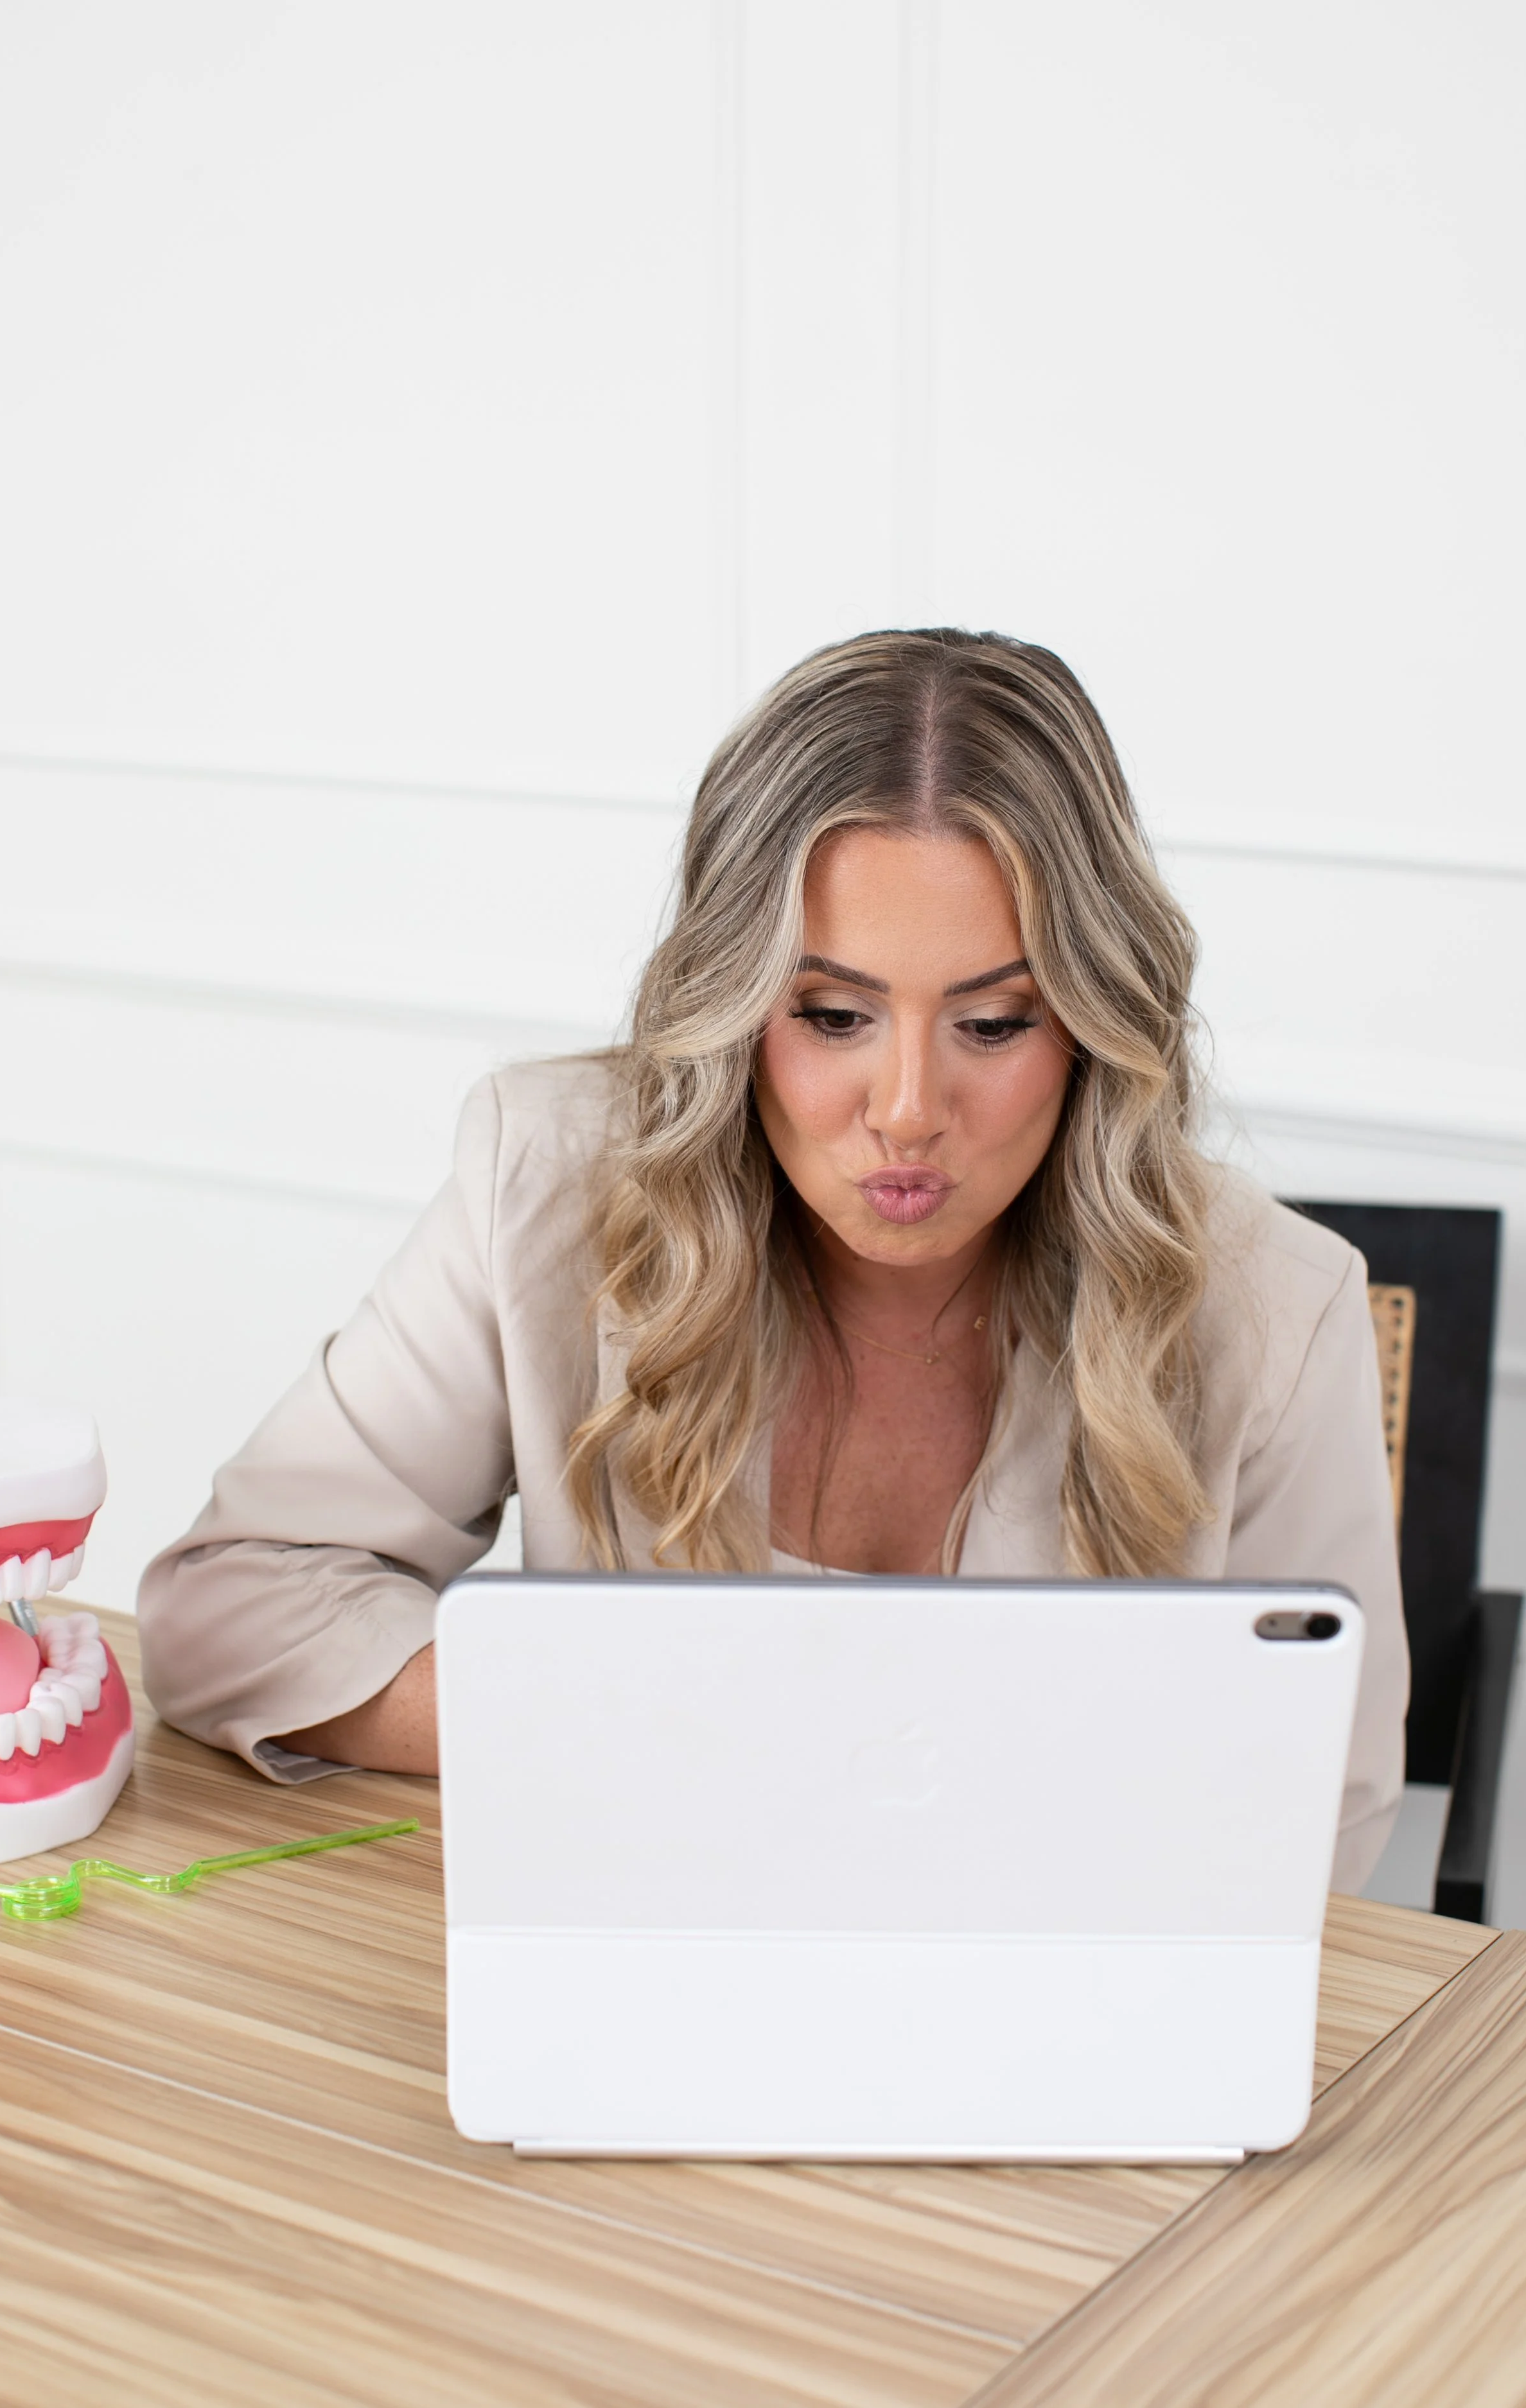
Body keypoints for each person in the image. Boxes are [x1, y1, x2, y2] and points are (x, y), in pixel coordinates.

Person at [139, 629, 1408, 1888]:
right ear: (735, 1005)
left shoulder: (1277, 1307)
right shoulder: (542, 1182)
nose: (906, 1106)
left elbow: (1322, 1828)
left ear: (1087, 1021)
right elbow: (232, 1606)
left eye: (991, 1021)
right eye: (834, 1015)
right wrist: (627, 1736)